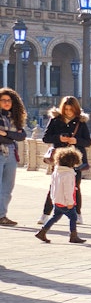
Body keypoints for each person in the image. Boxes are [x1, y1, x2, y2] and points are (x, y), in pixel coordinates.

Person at [41, 96, 91, 222]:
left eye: (71, 109)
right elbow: (46, 138)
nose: (68, 112)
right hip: (60, 159)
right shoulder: (55, 120)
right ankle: (45, 214)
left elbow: (88, 142)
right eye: (66, 109)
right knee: (54, 185)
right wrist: (59, 138)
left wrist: (76, 140)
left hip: (75, 159)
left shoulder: (81, 122)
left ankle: (77, 214)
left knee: (75, 187)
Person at [35, 147, 84, 244]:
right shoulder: (68, 174)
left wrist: (53, 199)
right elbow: (67, 191)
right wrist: (70, 203)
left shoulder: (56, 172)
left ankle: (42, 232)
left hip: (57, 200)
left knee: (55, 217)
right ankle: (73, 236)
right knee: (73, 217)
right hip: (65, 202)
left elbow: (53, 186)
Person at [0, 88, 28, 226]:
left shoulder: (14, 118)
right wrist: (11, 136)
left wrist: (6, 134)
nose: (6, 103)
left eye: (9, 100)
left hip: (11, 153)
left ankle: (2, 215)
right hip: (1, 152)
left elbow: (22, 136)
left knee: (7, 187)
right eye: (3, 100)